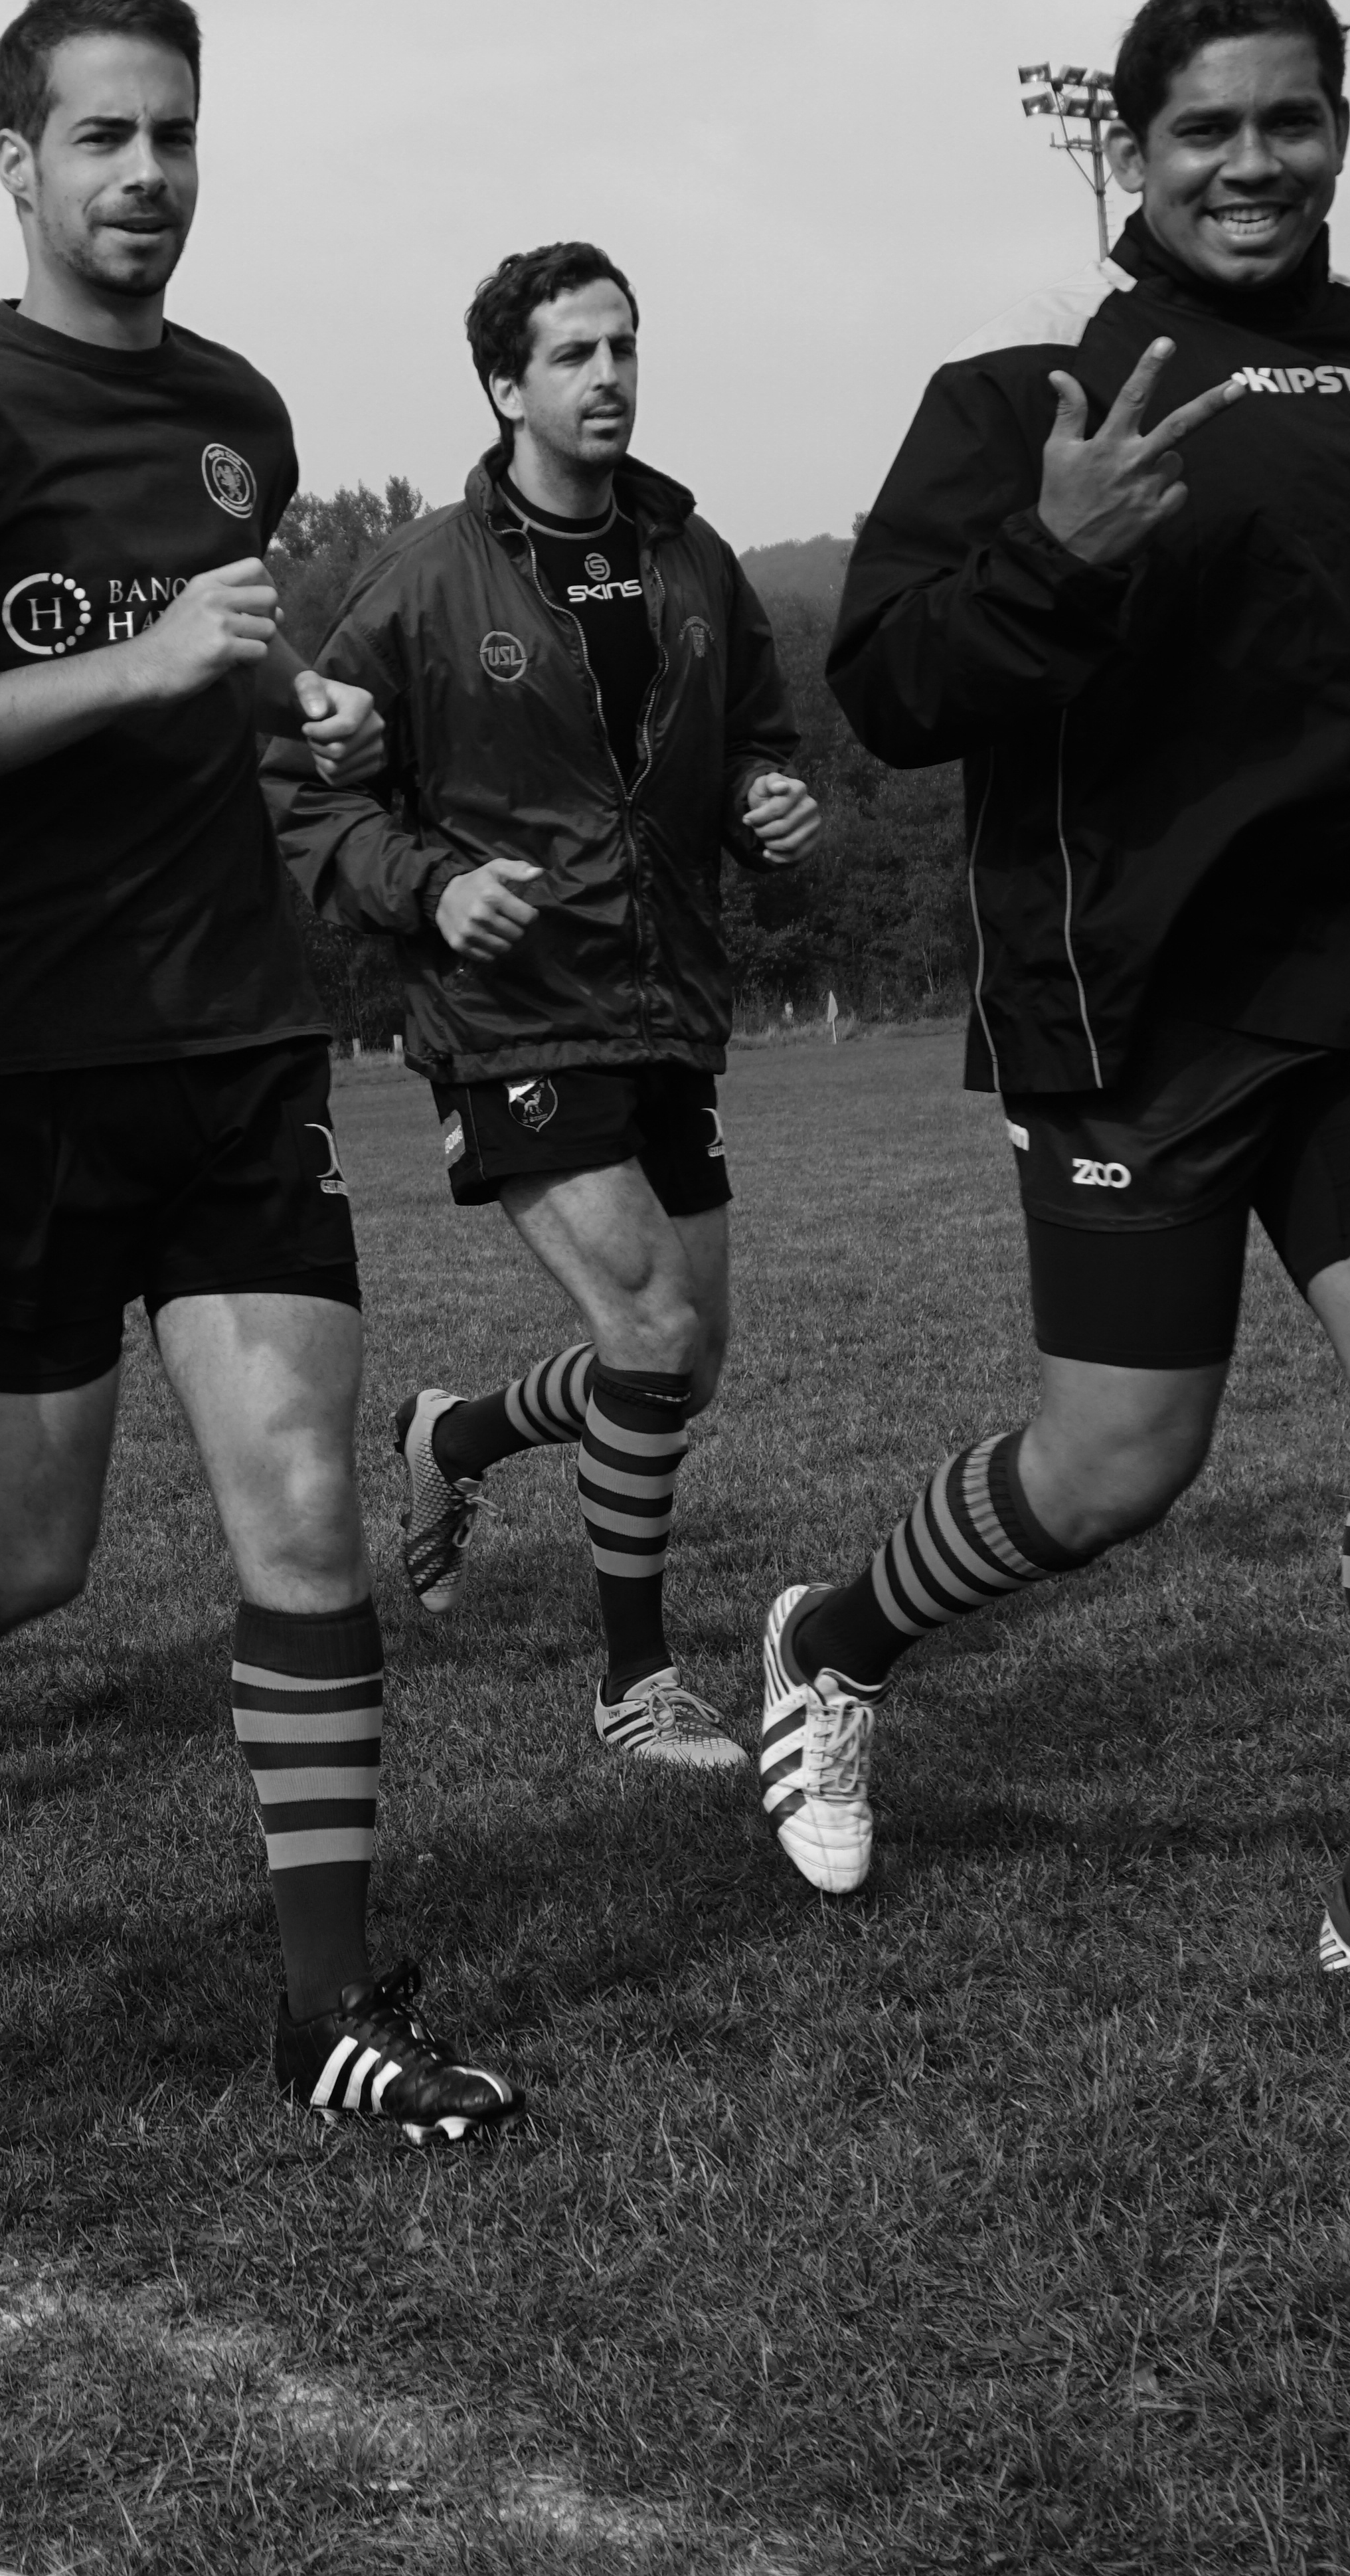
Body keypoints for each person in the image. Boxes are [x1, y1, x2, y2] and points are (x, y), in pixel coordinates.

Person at [776, 0, 1350, 2016]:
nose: (1248, 162)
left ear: (1335, 135)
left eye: (1285, 120)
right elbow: (888, 691)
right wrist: (1048, 551)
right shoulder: (1021, 393)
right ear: (1128, 146)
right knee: (1118, 1464)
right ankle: (834, 1639)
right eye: (1202, 127)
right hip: (1126, 1006)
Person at [0, 0, 521, 2146]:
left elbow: (215, 680)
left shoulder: (241, 415)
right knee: (23, 1549)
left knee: (306, 1512)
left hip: (231, 1029)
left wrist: (297, 712)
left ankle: (325, 2018)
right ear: (15, 162)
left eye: (175, 132)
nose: (147, 174)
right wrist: (132, 666)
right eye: (103, 137)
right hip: (6, 1056)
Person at [282, 239, 821, 1771]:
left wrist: (770, 806)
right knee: (647, 1329)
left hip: (666, 1007)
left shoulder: (694, 559)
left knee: (684, 1360)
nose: (610, 377)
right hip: (510, 1014)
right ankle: (635, 1682)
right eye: (575, 354)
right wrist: (430, 885)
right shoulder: (421, 577)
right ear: (506, 385)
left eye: (624, 347)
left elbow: (754, 746)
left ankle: (450, 1437)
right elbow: (309, 800)